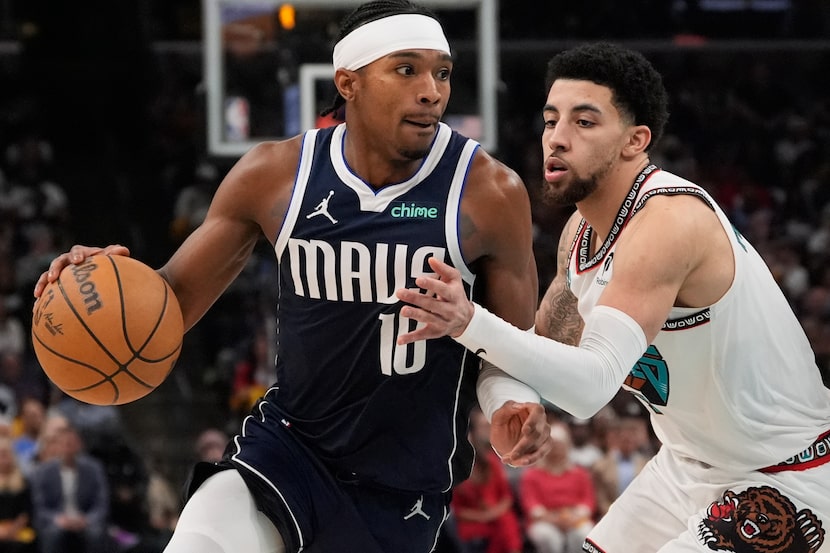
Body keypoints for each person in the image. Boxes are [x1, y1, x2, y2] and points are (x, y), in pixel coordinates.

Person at [32, 2, 552, 552]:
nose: (432, 92)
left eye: (441, 73)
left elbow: (511, 349)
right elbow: (171, 302)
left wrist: (511, 404)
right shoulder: (276, 175)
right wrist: (102, 282)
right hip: (287, 450)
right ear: (348, 83)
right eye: (407, 69)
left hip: (402, 486)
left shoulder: (489, 193)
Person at [396, 42, 830, 552]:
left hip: (785, 475)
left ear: (635, 140)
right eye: (551, 120)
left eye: (584, 122)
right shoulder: (580, 234)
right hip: (684, 467)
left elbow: (590, 387)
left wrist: (467, 320)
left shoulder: (668, 222)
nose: (557, 138)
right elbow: (528, 351)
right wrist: (512, 403)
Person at [450, 407, 523, 553]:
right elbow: (456, 510)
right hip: (472, 521)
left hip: (497, 516)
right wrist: (482, 517)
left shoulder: (492, 463)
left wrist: (492, 514)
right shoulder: (455, 469)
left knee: (507, 522)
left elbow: (506, 498)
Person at [29, 423, 110, 553]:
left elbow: (101, 503)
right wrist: (58, 519)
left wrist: (87, 519)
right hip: (57, 520)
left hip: (84, 519)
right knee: (53, 534)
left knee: (95, 534)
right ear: (57, 446)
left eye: (72, 443)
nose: (68, 448)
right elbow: (39, 507)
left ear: (80, 444)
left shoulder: (94, 468)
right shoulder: (43, 472)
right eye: (65, 444)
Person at [518, 422, 595, 553]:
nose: (556, 450)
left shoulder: (580, 474)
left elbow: (588, 500)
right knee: (549, 537)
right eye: (553, 446)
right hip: (544, 520)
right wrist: (553, 519)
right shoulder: (532, 475)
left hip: (574, 518)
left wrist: (574, 517)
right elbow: (531, 503)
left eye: (560, 445)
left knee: (584, 535)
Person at [0, 435, 36, 553]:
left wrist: (13, 529)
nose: (3, 458)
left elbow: (26, 512)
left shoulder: (24, 481)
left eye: (6, 454)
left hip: (19, 529)